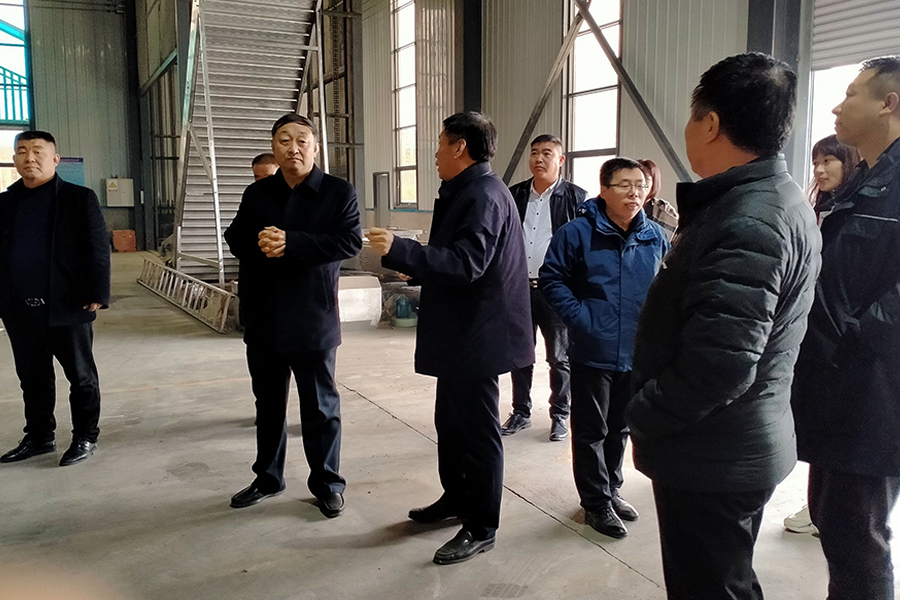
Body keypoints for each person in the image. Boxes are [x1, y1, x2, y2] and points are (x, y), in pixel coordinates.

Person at [625, 53, 820, 599]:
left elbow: (720, 366)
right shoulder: (772, 199)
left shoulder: (749, 219)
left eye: (692, 117)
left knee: (709, 587)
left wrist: (641, 412)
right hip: (733, 443)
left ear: (710, 123)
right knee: (726, 581)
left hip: (713, 453)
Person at [368, 112, 533, 565]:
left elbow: (467, 264)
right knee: (452, 424)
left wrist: (400, 248)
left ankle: (481, 525)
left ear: (460, 147)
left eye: (440, 143)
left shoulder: (485, 195)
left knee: (477, 433)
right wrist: (417, 267)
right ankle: (457, 497)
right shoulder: (465, 191)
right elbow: (456, 257)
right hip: (462, 331)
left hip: (480, 334)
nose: (436, 154)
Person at [791, 55, 900, 600]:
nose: (837, 105)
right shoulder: (869, 181)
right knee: (835, 521)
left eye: (852, 94)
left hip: (874, 391)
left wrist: (853, 337)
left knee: (857, 533)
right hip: (842, 386)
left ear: (888, 103)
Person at [223, 113, 362, 518]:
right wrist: (261, 240)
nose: (293, 148)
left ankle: (328, 483)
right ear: (274, 147)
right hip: (264, 315)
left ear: (315, 147)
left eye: (302, 140)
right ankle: (268, 478)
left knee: (320, 407)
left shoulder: (338, 192)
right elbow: (234, 237)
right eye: (284, 140)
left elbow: (349, 242)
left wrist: (293, 243)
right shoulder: (258, 193)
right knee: (268, 405)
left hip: (312, 316)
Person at [540, 157, 669, 538]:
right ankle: (595, 503)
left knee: (621, 428)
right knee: (591, 430)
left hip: (636, 352)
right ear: (604, 190)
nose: (634, 193)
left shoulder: (655, 236)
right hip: (593, 350)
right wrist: (582, 318)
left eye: (640, 186)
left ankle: (612, 490)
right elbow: (552, 279)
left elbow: (667, 288)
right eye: (624, 185)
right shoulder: (577, 233)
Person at [0, 130, 110, 467]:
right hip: (20, 308)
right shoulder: (5, 203)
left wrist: (97, 292)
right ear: (14, 160)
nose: (29, 158)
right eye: (22, 151)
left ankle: (85, 436)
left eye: (37, 151)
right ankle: (39, 437)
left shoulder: (78, 198)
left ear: (55, 159)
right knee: (32, 378)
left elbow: (97, 247)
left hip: (68, 304)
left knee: (81, 376)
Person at [783, 133, 858, 536]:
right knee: (818, 427)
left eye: (829, 161)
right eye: (816, 162)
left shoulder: (856, 211)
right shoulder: (819, 210)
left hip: (844, 339)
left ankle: (826, 510)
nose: (820, 169)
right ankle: (818, 507)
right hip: (813, 334)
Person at [502, 134, 587, 442]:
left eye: (547, 153)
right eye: (534, 152)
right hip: (519, 288)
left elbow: (583, 246)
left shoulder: (576, 197)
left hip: (556, 290)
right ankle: (521, 412)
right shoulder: (515, 195)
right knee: (520, 354)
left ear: (560, 160)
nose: (539, 158)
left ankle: (560, 415)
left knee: (559, 357)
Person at [806, 134, 860, 223]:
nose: (818, 170)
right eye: (815, 163)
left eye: (826, 161)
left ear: (847, 162)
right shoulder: (821, 207)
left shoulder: (860, 207)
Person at [637, 158, 679, 240]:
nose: (641, 183)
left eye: (646, 179)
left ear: (653, 182)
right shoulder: (619, 205)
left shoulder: (665, 211)